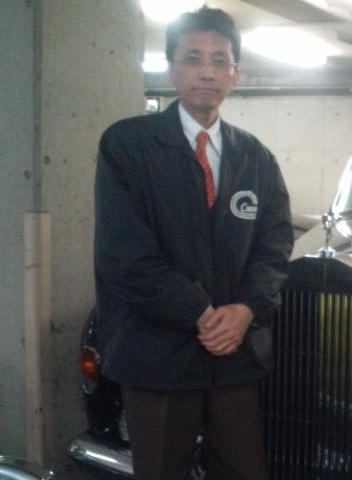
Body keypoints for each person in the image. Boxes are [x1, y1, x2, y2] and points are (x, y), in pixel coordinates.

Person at [93, 6, 293, 480]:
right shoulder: (128, 146)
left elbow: (274, 245)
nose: (207, 71)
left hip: (234, 356)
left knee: (244, 470)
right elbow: (124, 255)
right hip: (157, 355)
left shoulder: (255, 157)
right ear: (171, 70)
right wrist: (200, 313)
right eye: (192, 58)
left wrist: (245, 309)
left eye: (220, 60)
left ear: (235, 74)